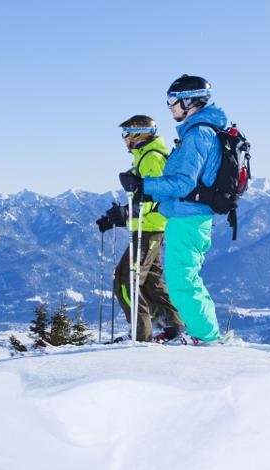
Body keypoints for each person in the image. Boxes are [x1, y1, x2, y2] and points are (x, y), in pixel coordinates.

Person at [119, 75, 228, 345]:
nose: (169, 107)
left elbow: (182, 183)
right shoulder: (198, 132)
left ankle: (206, 337)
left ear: (190, 100)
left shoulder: (198, 134)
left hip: (189, 215)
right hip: (185, 214)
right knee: (182, 278)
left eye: (172, 101)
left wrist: (142, 185)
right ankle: (204, 334)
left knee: (182, 280)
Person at [96, 115, 184, 342]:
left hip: (149, 228)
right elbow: (142, 197)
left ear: (139, 133)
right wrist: (117, 217)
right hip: (149, 228)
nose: (124, 140)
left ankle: (140, 336)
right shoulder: (144, 157)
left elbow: (155, 196)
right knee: (150, 281)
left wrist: (126, 214)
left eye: (126, 134)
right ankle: (174, 326)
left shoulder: (152, 158)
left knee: (125, 280)